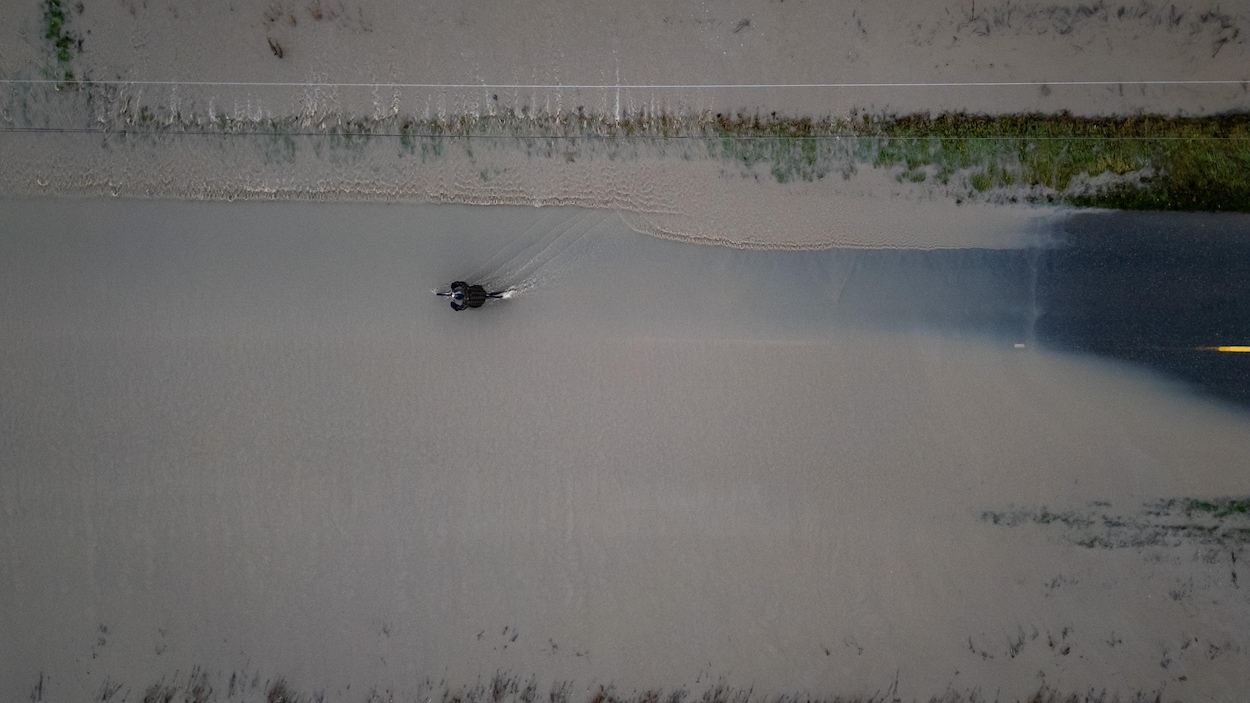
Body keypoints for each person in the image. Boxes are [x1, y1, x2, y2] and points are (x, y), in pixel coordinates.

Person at [438, 281, 507, 311]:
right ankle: (503, 295)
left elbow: (460, 308)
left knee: (488, 297)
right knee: (488, 295)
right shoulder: (466, 289)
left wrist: (454, 305)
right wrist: (454, 285)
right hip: (481, 292)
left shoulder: (465, 303)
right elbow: (462, 283)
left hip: (480, 301)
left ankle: (502, 296)